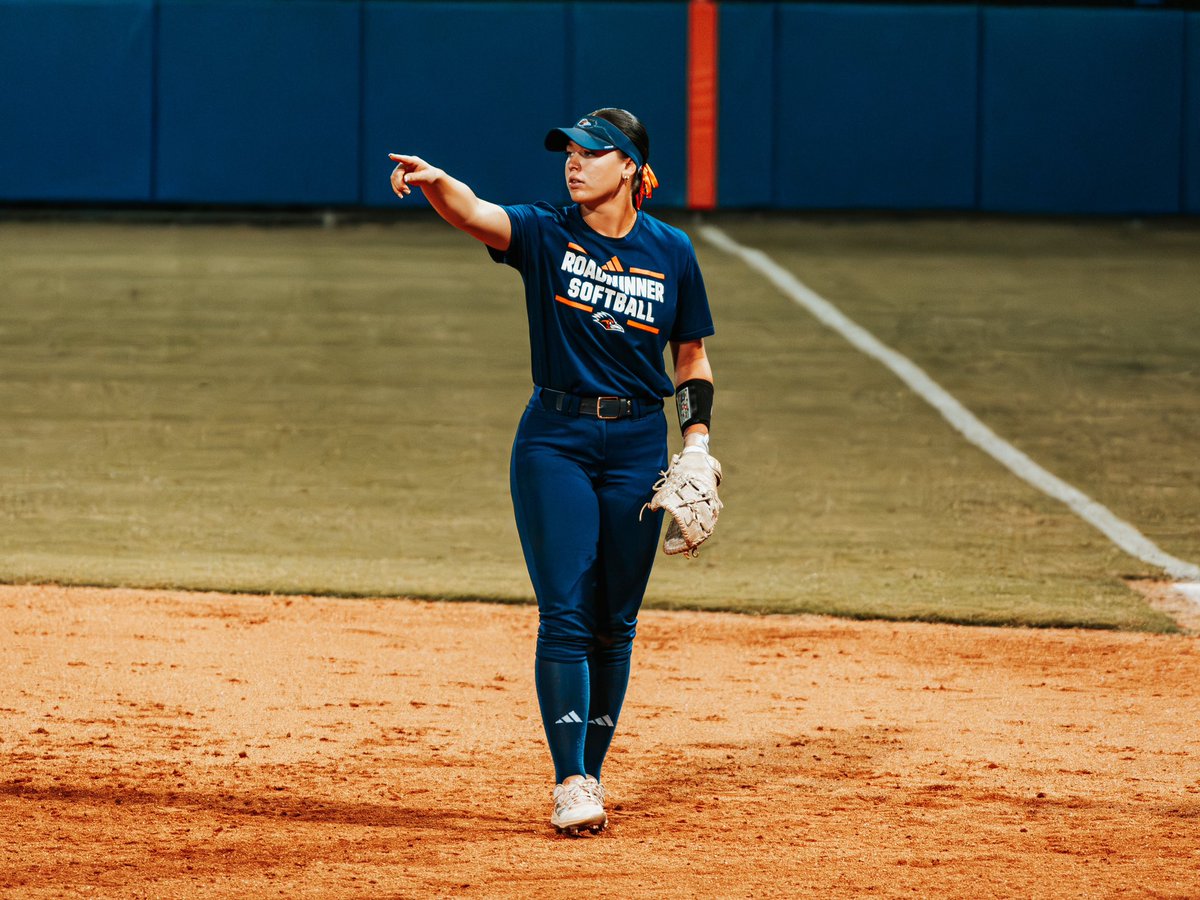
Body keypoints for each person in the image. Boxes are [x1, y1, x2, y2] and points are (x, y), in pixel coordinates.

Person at [388, 108, 717, 835]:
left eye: (593, 152)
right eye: (569, 151)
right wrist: (439, 182)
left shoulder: (672, 251)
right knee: (566, 609)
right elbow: (476, 214)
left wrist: (695, 445)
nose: (575, 162)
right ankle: (570, 780)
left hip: (637, 446)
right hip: (556, 443)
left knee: (616, 622)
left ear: (630, 166)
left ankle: (592, 771)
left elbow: (689, 358)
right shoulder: (545, 232)